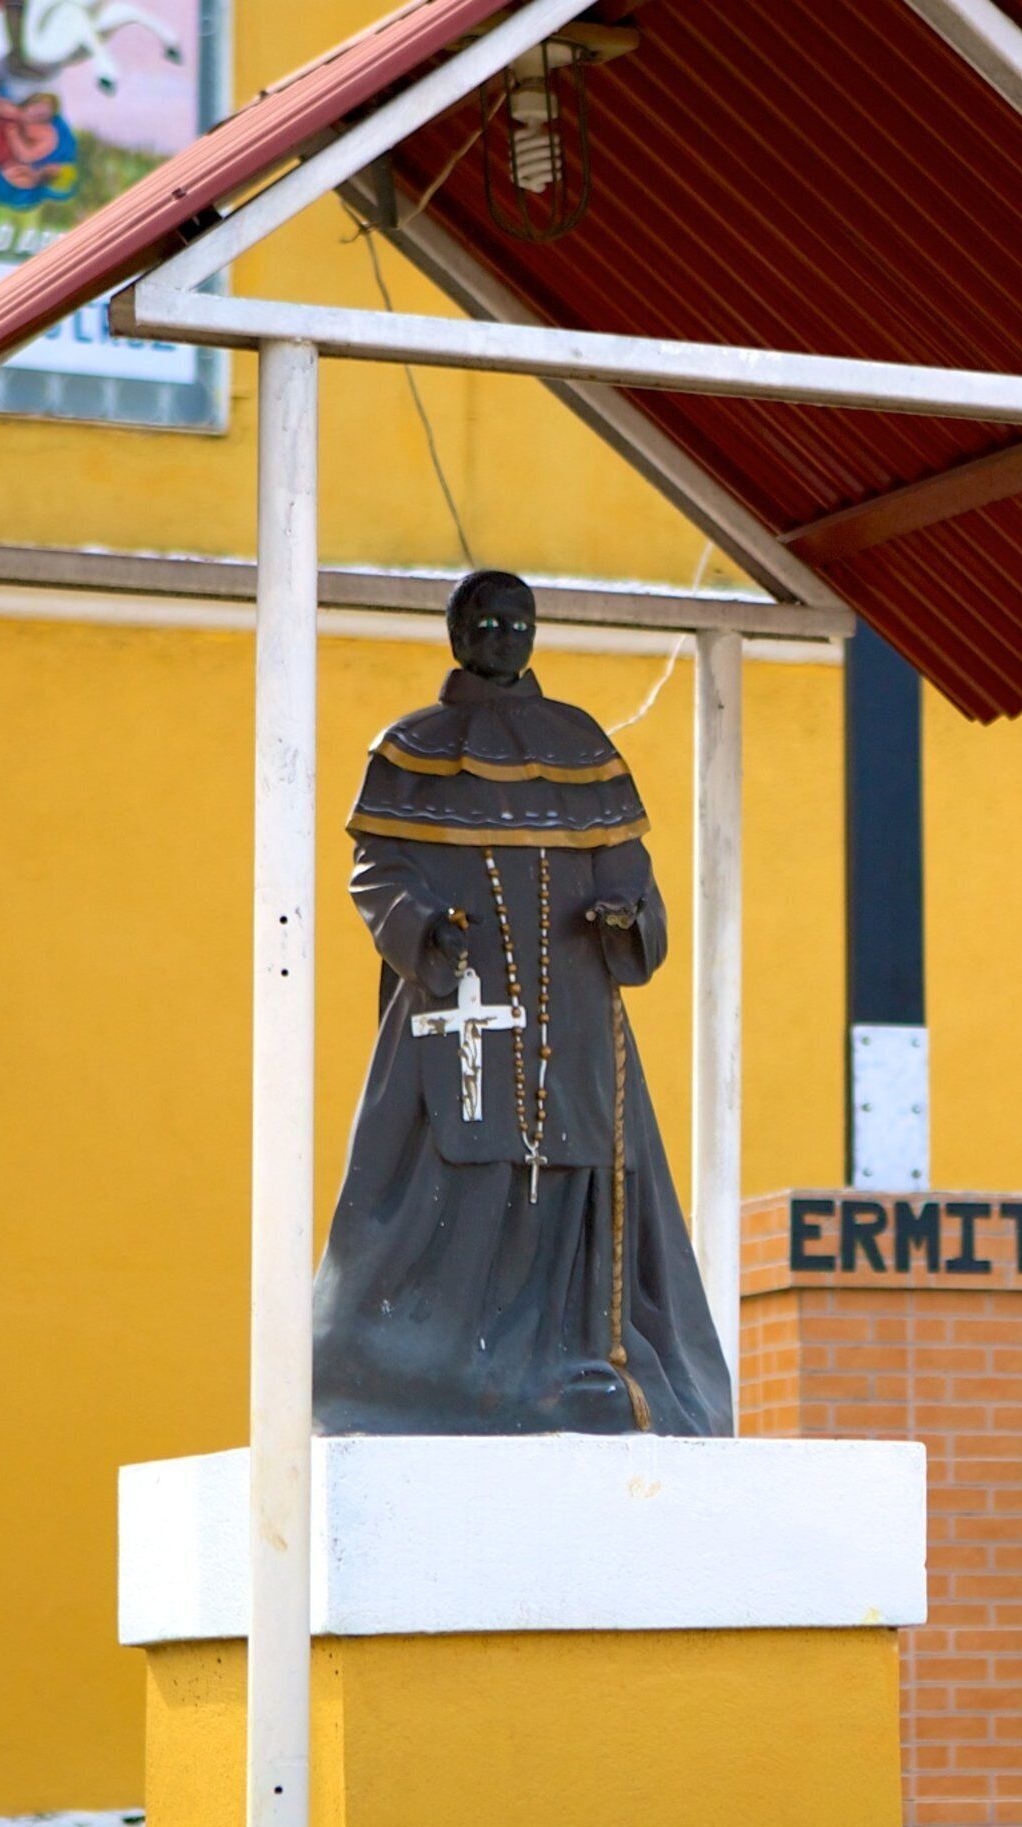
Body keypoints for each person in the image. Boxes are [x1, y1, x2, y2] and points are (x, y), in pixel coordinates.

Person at [311, 571, 735, 1436]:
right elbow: (379, 872)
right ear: (457, 631)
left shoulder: (581, 744)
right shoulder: (410, 749)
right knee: (444, 1188)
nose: (505, 635)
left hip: (576, 1024)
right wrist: (423, 929)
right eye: (487, 621)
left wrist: (629, 920)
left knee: (578, 1183)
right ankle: (424, 1380)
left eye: (519, 621)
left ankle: (566, 1370)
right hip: (455, 1020)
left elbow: (631, 879)